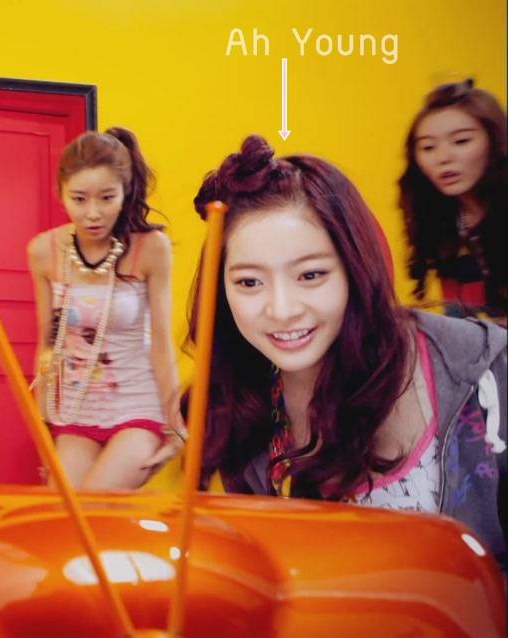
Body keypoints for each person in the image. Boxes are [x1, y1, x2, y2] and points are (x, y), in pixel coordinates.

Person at [186, 134, 507, 575]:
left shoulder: (481, 368)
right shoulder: (244, 404)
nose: (282, 310)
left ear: (355, 269)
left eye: (310, 275)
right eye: (249, 283)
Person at [26, 127, 186, 491]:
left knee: (94, 506)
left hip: (137, 407)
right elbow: (48, 344)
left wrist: (176, 425)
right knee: (64, 511)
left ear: (125, 192)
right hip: (74, 411)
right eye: (79, 199)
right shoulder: (43, 251)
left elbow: (162, 346)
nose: (93, 213)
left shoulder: (150, 248)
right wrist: (43, 429)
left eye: (107, 198)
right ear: (61, 194)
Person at [399, 78, 507, 326]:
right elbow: (460, 318)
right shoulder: (443, 222)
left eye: (461, 141)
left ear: (496, 142)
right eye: (428, 147)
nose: (443, 158)